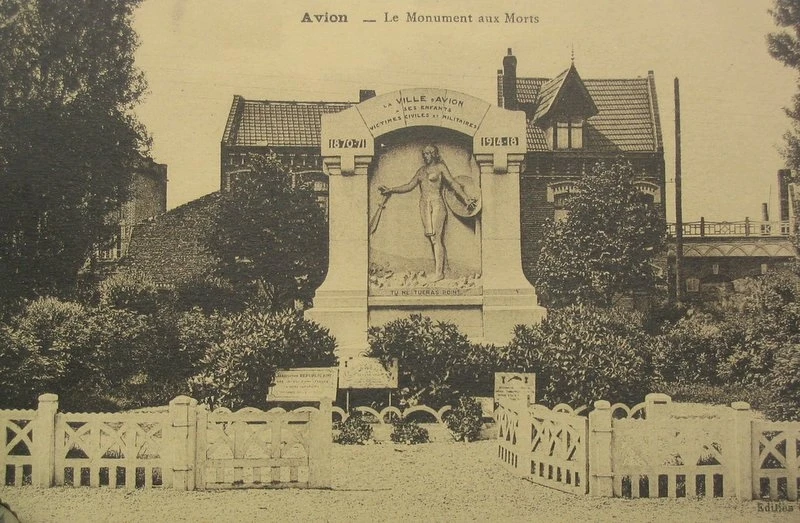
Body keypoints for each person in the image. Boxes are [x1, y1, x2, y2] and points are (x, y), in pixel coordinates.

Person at [379, 145, 477, 282]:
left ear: (434, 154)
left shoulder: (440, 167)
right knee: (432, 239)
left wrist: (465, 198)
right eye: (424, 153)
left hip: (437, 203)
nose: (425, 156)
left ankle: (439, 273)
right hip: (424, 205)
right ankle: (442, 268)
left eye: (428, 153)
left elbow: (453, 183)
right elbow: (409, 185)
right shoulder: (421, 171)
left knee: (436, 238)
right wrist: (391, 190)